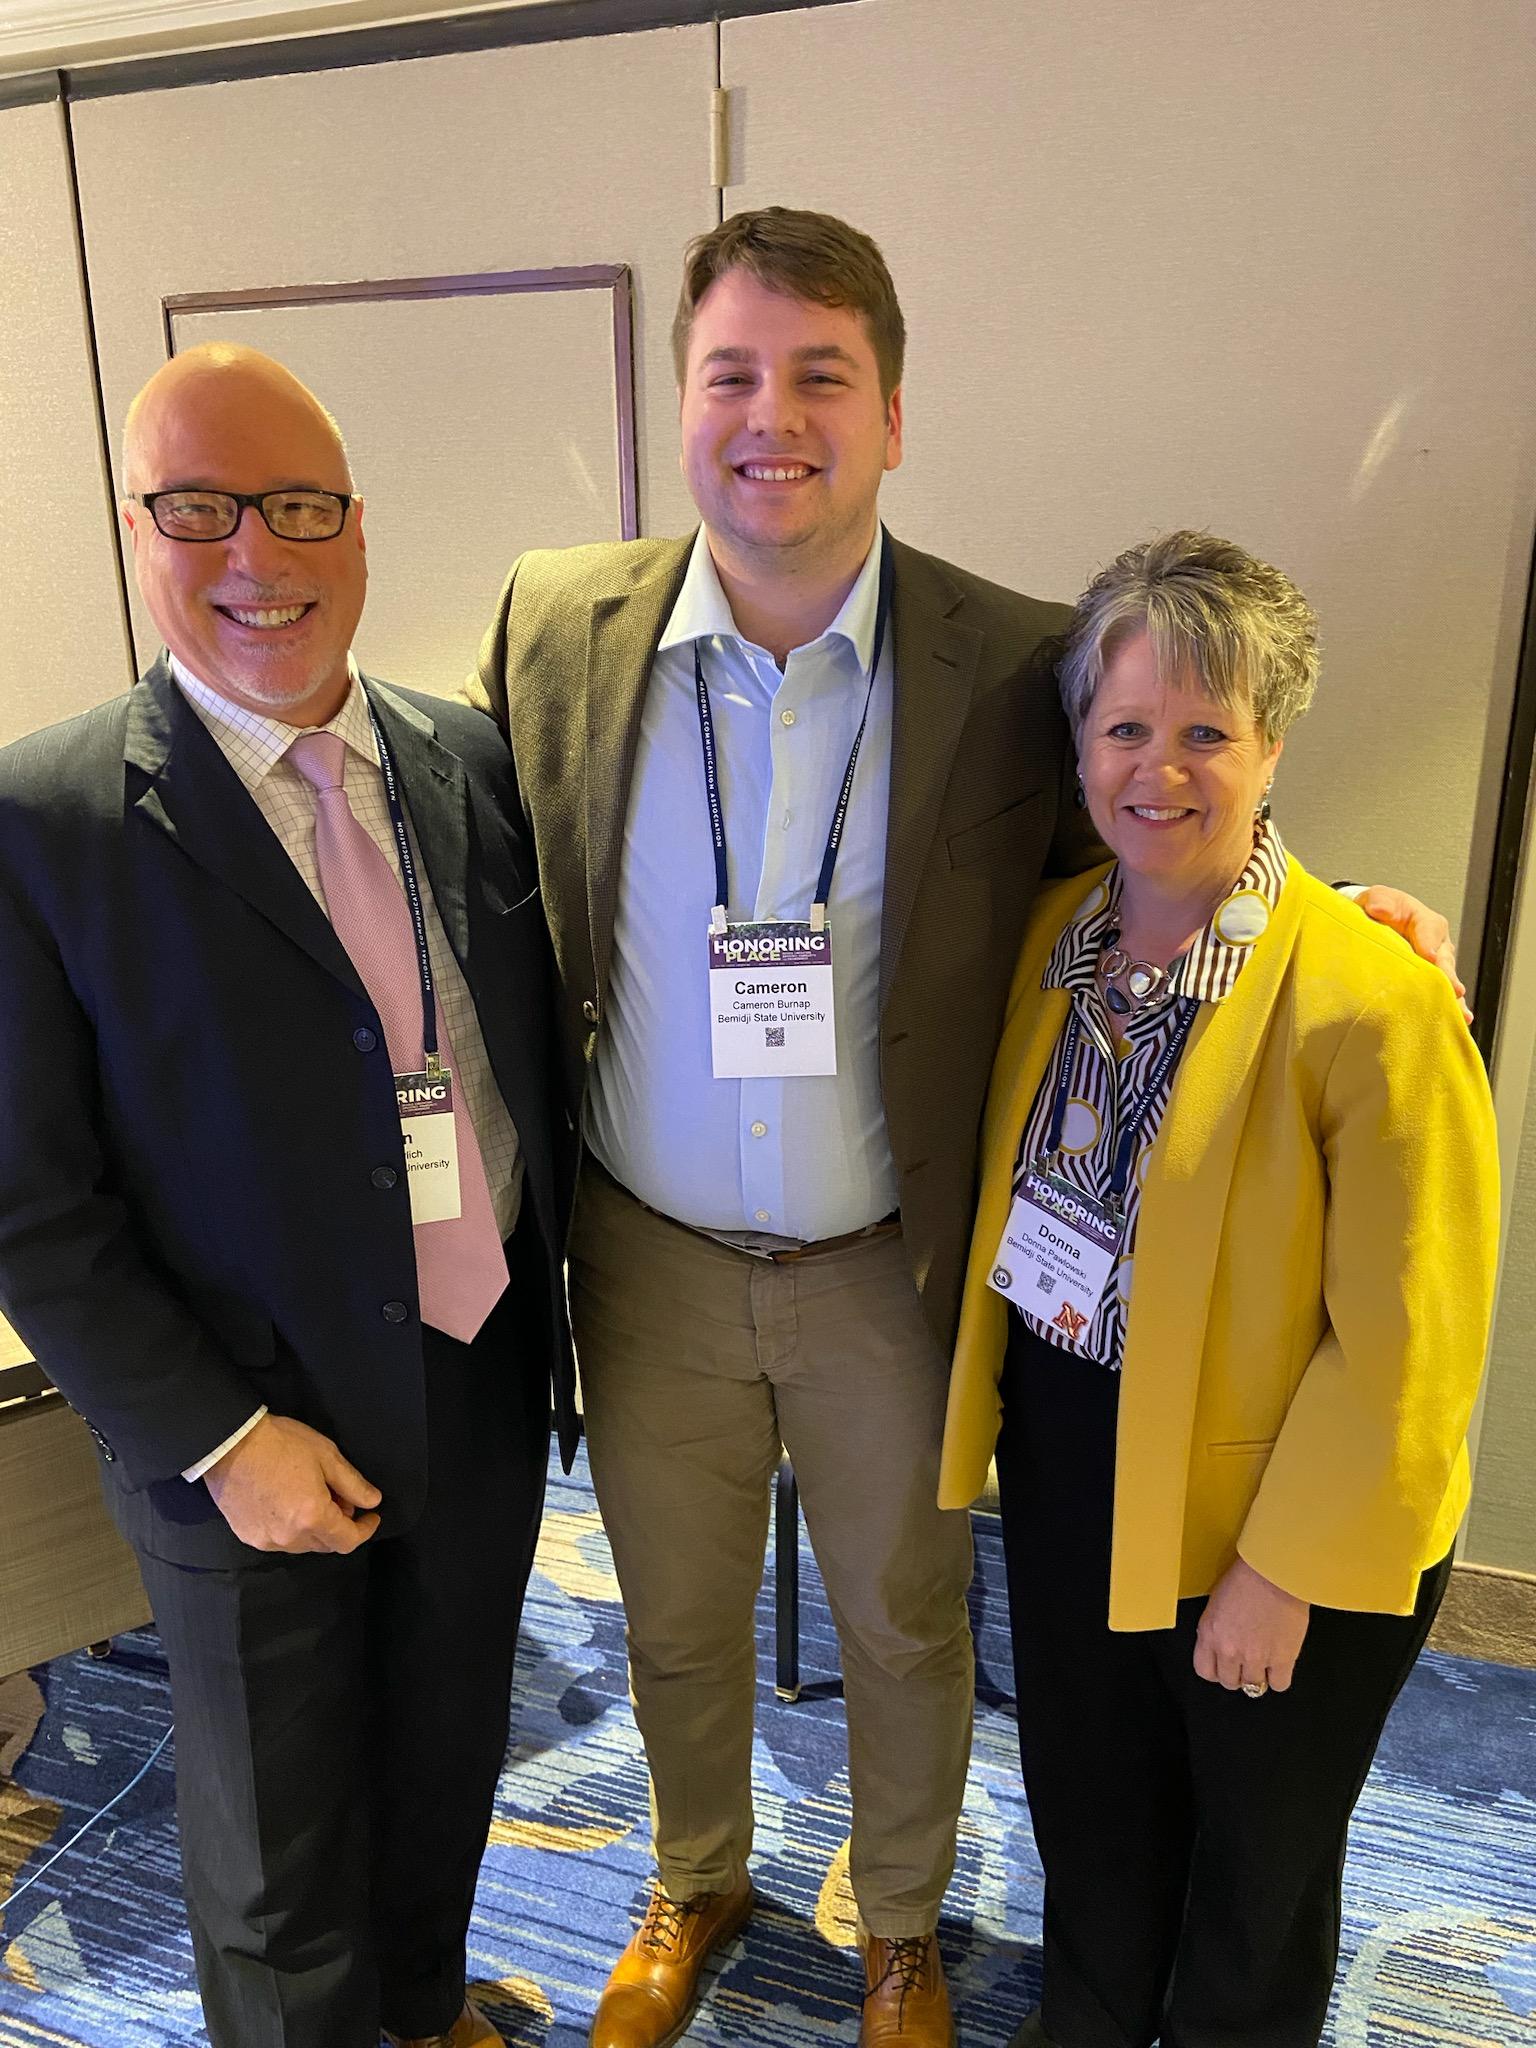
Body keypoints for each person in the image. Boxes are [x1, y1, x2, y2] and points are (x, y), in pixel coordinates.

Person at [467, 211, 1462, 2048]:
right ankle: (694, 1878)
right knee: (669, 1621)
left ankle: (901, 1925)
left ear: (896, 413)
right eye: (733, 373)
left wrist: (1357, 915)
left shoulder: (1013, 659)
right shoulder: (558, 622)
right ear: (677, 400)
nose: (776, 416)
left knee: (908, 1623)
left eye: (822, 375)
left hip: (887, 1265)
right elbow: (471, 863)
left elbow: (1161, 846)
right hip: (647, 1246)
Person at [0, 344, 577, 2048]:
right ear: (138, 531)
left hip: (471, 1369)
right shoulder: (47, 820)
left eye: (300, 505)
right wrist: (222, 1438)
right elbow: (32, 1206)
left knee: (445, 1746)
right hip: (239, 1423)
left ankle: (417, 2006)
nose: (259, 553)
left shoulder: (463, 758)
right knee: (272, 1845)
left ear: (359, 530)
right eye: (202, 508)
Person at [938, 530, 1499, 2048]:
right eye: (1125, 728)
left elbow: (1414, 1351)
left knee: (1253, 1871)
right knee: (1095, 1818)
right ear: (1080, 744)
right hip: (1073, 1462)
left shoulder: (1373, 1003)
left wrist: (1286, 1570)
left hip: (1269, 1511)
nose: (1158, 770)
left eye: (1206, 733)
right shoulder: (1060, 935)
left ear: (1272, 746)